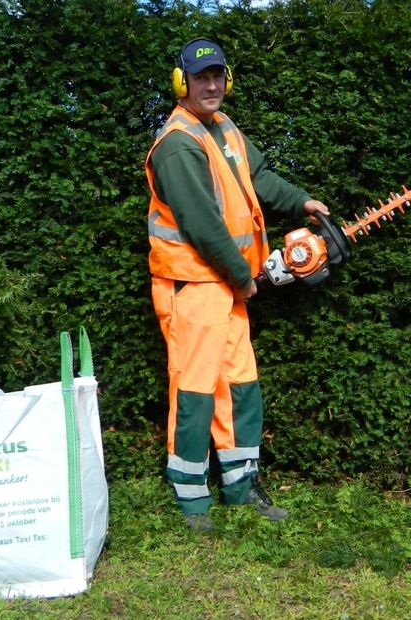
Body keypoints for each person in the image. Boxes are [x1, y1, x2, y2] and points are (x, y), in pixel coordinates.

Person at [145, 38, 330, 532]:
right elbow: (204, 225)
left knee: (241, 386)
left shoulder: (224, 128)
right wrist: (245, 276)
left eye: (218, 76)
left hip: (224, 286)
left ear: (228, 80)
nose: (211, 85)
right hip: (194, 286)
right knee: (196, 390)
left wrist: (302, 202)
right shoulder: (179, 144)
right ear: (182, 83)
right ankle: (191, 498)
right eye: (200, 77)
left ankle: (240, 485)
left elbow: (260, 176)